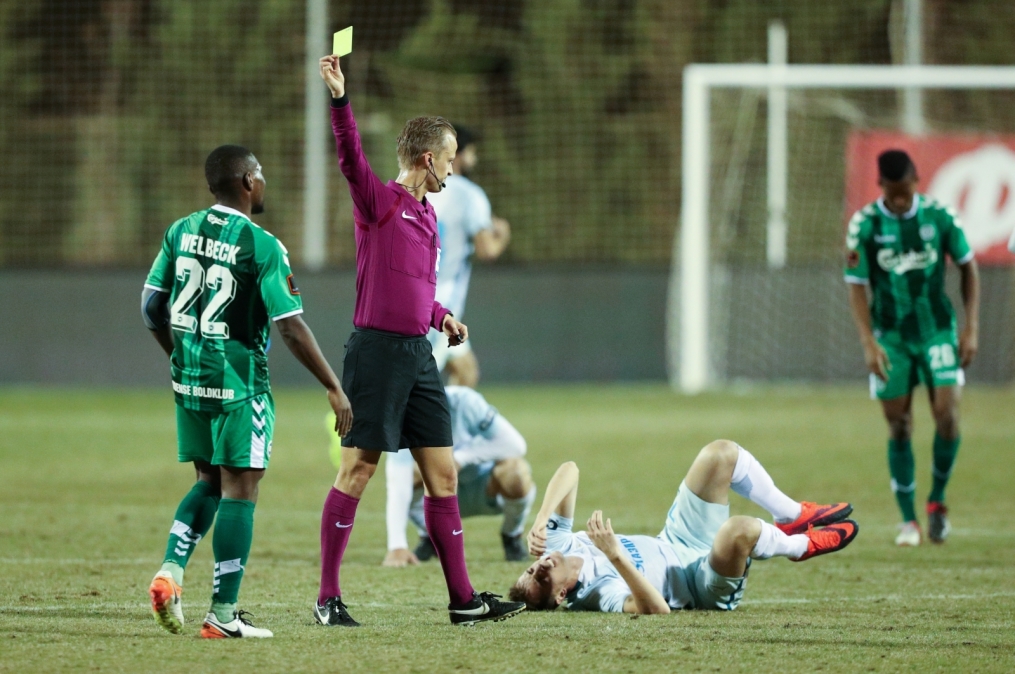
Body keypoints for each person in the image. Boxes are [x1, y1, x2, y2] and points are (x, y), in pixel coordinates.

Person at [315, 54, 525, 627]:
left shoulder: (429, 217)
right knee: (358, 470)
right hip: (376, 353)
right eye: (449, 160)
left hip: (418, 355)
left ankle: (464, 601)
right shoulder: (378, 203)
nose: (453, 170)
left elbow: (416, 290)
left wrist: (442, 317)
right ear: (428, 160)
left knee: (443, 475)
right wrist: (340, 99)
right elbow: (350, 157)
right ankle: (327, 598)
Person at [142, 145, 353, 639]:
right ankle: (223, 613)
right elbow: (290, 326)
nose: (264, 181)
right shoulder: (261, 245)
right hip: (241, 387)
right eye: (260, 173)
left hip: (189, 380)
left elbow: (152, 307)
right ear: (247, 181)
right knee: (240, 489)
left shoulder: (181, 230)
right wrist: (333, 385)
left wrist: (179, 354)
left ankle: (171, 569)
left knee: (208, 481)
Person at [509, 441, 858, 613]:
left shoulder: (557, 547)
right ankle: (800, 547)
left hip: (678, 537)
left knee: (719, 454)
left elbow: (570, 470)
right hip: (700, 583)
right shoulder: (595, 594)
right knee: (737, 531)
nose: (541, 566)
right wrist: (614, 555)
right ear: (561, 595)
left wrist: (540, 518)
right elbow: (656, 610)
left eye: (531, 569)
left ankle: (791, 515)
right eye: (542, 578)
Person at [845, 149, 980, 547]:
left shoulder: (940, 217)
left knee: (947, 416)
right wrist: (868, 342)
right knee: (899, 424)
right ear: (881, 186)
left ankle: (937, 501)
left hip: (937, 330)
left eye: (906, 191)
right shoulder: (865, 225)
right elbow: (856, 285)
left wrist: (971, 328)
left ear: (916, 181)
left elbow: (969, 267)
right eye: (894, 193)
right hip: (891, 337)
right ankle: (908, 521)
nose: (901, 200)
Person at [381, 386, 536, 567]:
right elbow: (398, 484)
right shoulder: (403, 418)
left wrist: (460, 459)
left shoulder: (465, 401)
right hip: (436, 496)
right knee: (412, 471)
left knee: (515, 471)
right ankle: (431, 534)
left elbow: (515, 445)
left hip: (484, 487)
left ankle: (511, 535)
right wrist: (397, 545)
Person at [425, 126, 511, 387]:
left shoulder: (421, 187)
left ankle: (448, 420)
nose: (474, 159)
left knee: (466, 371)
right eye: (471, 153)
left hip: (418, 296)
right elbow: (487, 250)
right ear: (458, 154)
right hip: (440, 304)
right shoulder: (469, 195)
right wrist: (503, 234)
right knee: (413, 384)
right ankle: (355, 415)